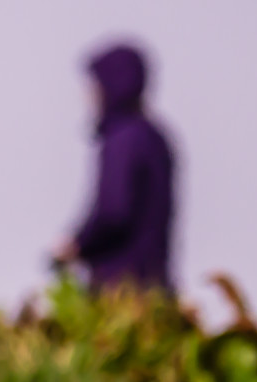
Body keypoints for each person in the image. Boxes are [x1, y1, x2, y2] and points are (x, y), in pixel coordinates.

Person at [54, 43, 175, 294]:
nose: (88, 95)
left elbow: (113, 212)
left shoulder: (122, 139)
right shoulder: (155, 137)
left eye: (94, 86)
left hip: (120, 287)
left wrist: (78, 245)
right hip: (156, 286)